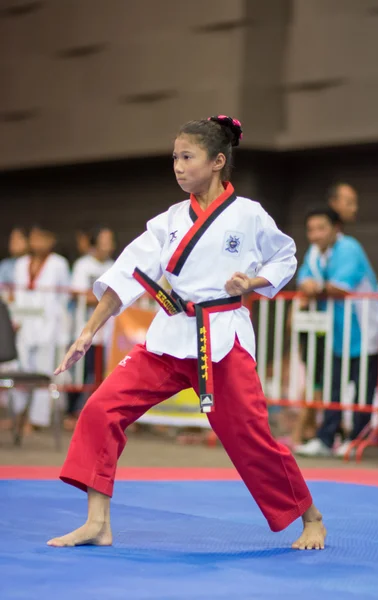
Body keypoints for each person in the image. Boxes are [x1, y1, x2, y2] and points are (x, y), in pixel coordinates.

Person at [47, 115, 326, 550]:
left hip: (222, 339)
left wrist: (251, 283)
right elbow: (126, 274)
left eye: (187, 157)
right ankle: (97, 522)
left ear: (217, 162)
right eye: (174, 157)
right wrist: (87, 331)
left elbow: (285, 256)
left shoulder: (249, 215)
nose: (177, 166)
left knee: (249, 436)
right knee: (101, 409)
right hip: (170, 335)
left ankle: (311, 517)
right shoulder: (170, 221)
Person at [295, 207, 378, 457]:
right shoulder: (314, 252)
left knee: (363, 390)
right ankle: (325, 438)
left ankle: (357, 439)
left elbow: (338, 287)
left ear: (336, 229)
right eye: (310, 230)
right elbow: (304, 280)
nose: (315, 235)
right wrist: (311, 286)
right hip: (335, 333)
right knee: (333, 387)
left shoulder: (350, 248)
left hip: (364, 331)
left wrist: (315, 287)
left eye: (321, 228)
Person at [12, 225, 70, 430]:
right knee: (21, 370)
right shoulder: (21, 264)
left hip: (49, 325)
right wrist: (16, 317)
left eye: (42, 238)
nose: (38, 243)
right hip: (25, 323)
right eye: (34, 238)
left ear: (51, 240)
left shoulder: (58, 264)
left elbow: (64, 297)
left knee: (45, 372)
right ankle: (17, 414)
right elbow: (18, 293)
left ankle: (36, 421)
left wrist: (62, 327)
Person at [65, 228, 116, 429]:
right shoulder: (83, 265)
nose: (108, 244)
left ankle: (91, 414)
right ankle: (71, 413)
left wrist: (105, 300)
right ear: (94, 243)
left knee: (100, 376)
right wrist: (108, 299)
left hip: (108, 331)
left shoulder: (113, 266)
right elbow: (81, 296)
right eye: (104, 240)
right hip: (84, 329)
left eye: (110, 240)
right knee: (79, 373)